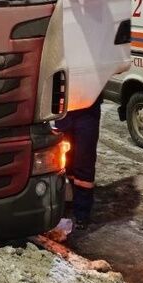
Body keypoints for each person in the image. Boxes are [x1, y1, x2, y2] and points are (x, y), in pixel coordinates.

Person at [55, 95, 102, 233]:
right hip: (63, 108)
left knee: (84, 160)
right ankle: (69, 200)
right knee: (64, 159)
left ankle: (82, 212)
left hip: (87, 109)